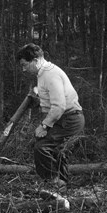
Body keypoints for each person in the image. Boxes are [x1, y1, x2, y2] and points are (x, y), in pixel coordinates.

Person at [16, 43, 85, 192]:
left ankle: (54, 184)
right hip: (66, 117)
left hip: (69, 118)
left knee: (41, 148)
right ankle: (62, 185)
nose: (23, 69)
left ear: (35, 60)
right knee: (57, 151)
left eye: (24, 64)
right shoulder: (43, 74)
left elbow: (59, 106)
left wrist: (44, 126)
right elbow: (51, 100)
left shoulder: (50, 74)